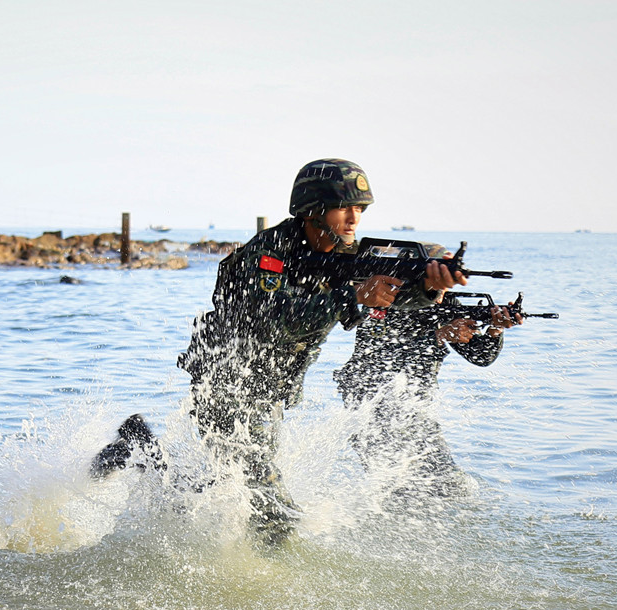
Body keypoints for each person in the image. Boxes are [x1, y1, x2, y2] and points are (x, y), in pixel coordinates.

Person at [166, 158, 467, 544]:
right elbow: (273, 318)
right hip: (227, 385)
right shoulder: (269, 251)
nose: (354, 218)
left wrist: (429, 287)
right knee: (272, 514)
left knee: (230, 487)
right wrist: (353, 295)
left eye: (360, 208)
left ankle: (141, 455)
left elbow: (387, 293)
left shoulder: (348, 253)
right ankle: (265, 592)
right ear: (312, 209)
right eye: (345, 207)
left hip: (269, 393)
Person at [333, 256, 521, 496]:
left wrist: (495, 328)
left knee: (453, 488)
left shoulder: (446, 304)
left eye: (445, 283)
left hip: (414, 409)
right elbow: (379, 357)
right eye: (435, 281)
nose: (440, 292)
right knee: (394, 492)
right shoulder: (386, 299)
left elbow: (480, 356)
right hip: (370, 407)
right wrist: (439, 336)